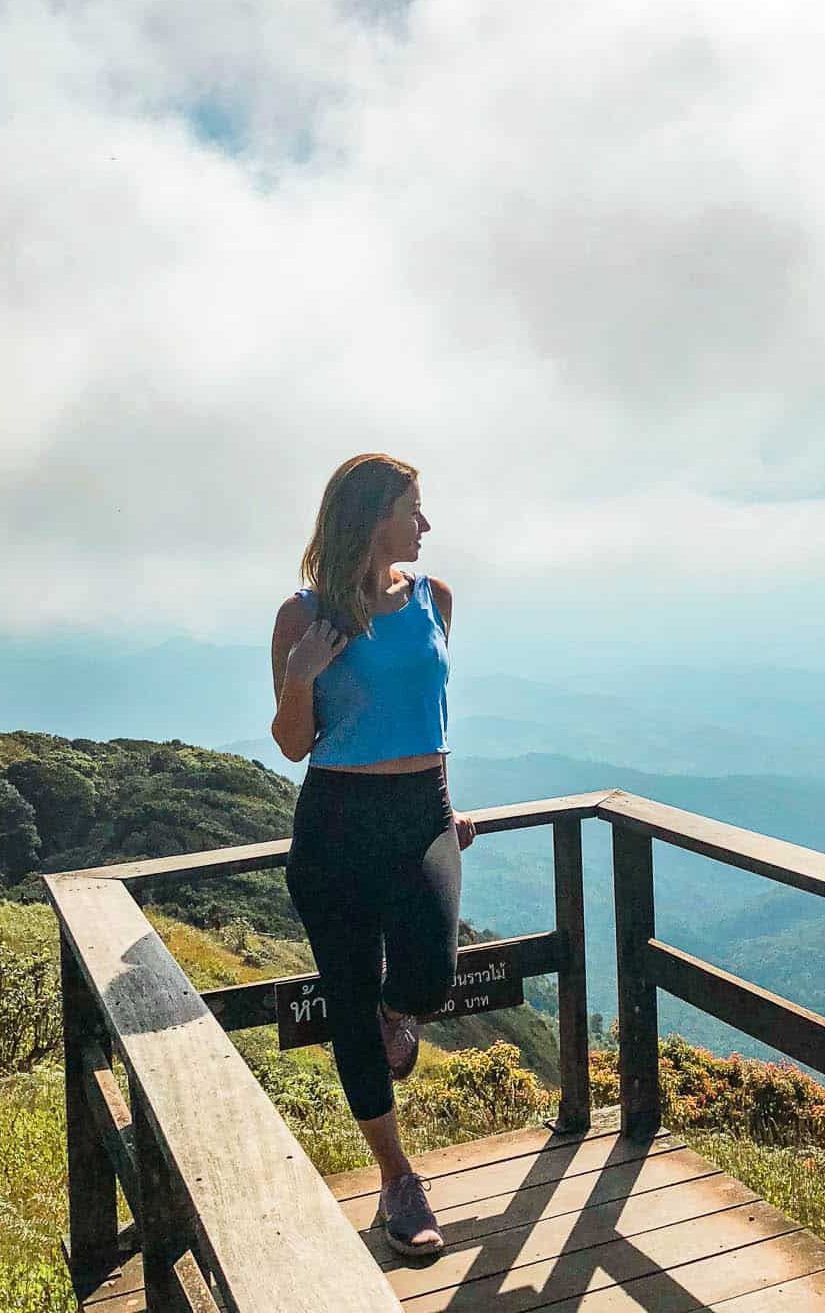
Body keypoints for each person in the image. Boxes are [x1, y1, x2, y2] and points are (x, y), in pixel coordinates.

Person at [270, 452, 474, 1258]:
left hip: (421, 808)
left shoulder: (436, 598)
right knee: (348, 999)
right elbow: (293, 745)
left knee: (428, 976)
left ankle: (400, 1011)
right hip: (338, 820)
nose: (425, 525)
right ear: (371, 517)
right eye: (412, 509)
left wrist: (447, 808)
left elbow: (437, 712)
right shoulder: (305, 615)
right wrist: (298, 677)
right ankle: (397, 1178)